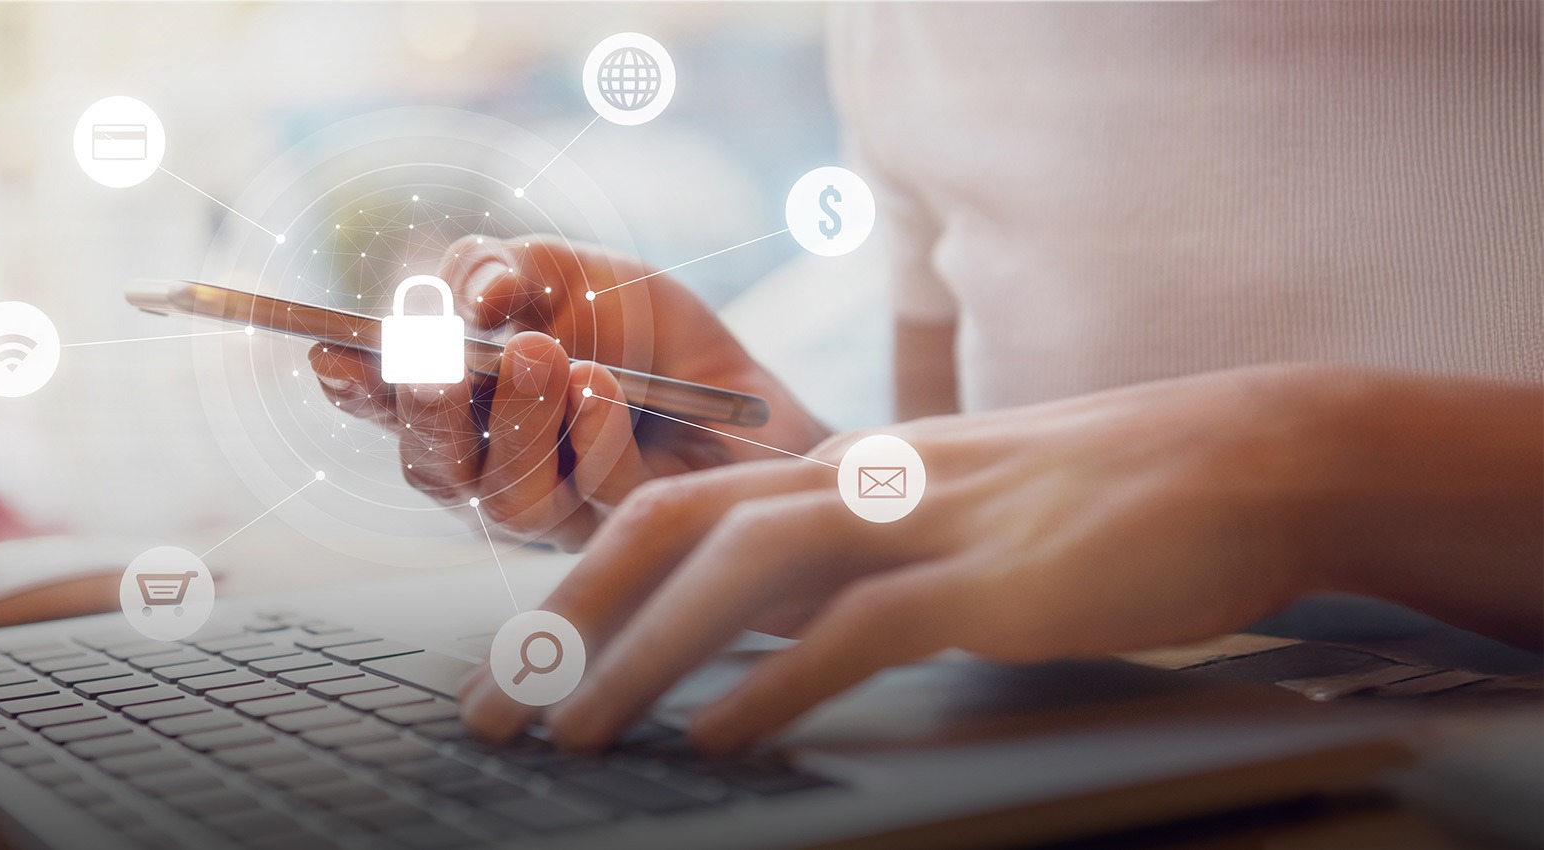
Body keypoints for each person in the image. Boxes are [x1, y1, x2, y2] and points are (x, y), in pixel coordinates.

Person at [307, 3, 1542, 755]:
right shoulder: (913, 19)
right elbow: (1010, 505)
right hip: (1121, 772)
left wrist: (1305, 461)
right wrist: (802, 485)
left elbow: (1194, 474)